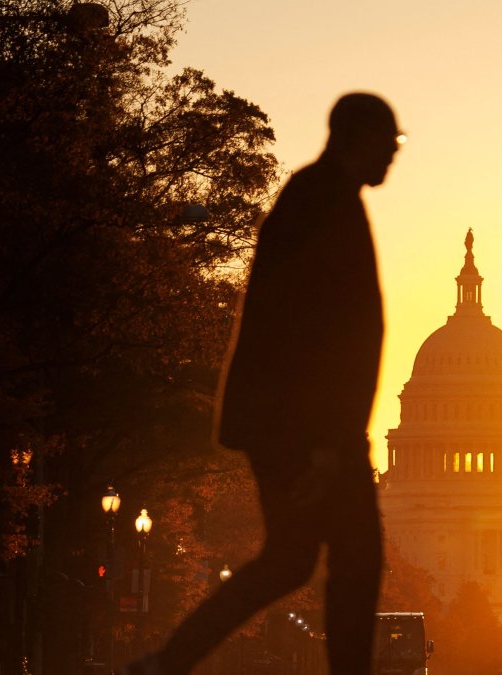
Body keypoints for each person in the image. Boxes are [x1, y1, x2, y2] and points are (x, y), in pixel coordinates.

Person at [122, 92, 404, 675]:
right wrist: (326, 442)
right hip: (310, 425)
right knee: (350, 561)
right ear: (360, 138)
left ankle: (166, 663)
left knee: (295, 560)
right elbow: (309, 332)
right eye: (390, 142)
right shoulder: (320, 202)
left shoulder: (324, 197)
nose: (394, 156)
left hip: (302, 422)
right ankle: (167, 663)